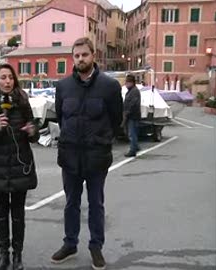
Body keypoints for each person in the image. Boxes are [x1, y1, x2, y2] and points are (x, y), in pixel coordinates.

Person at [51, 37, 123, 270]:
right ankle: (70, 243)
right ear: (73, 58)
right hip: (70, 156)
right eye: (76, 55)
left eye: (84, 54)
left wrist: (101, 140)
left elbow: (116, 119)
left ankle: (95, 247)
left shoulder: (109, 87)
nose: (80, 59)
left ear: (93, 56)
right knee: (71, 203)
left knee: (96, 204)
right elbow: (61, 117)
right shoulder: (62, 87)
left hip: (96, 157)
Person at [0, 63, 38, 270]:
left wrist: (32, 131)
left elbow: (34, 130)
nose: (7, 81)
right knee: (2, 214)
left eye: (10, 77)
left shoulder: (22, 101)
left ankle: (17, 255)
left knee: (18, 214)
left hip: (20, 165)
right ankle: (4, 254)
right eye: (3, 77)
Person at [122, 74, 142, 157]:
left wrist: (127, 112)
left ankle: (133, 150)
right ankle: (135, 146)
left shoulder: (134, 91)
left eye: (127, 82)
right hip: (131, 115)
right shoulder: (131, 91)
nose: (126, 84)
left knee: (131, 133)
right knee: (131, 132)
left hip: (133, 116)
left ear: (132, 83)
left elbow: (133, 104)